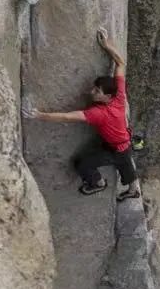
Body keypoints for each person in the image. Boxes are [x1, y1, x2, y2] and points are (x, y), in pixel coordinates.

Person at [23, 27, 141, 200]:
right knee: (123, 158)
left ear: (107, 96)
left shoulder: (99, 114)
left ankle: (97, 183)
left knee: (83, 163)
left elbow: (67, 117)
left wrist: (38, 115)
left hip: (117, 146)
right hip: (122, 141)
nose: (92, 91)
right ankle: (133, 189)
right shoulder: (119, 95)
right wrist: (106, 45)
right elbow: (120, 63)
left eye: (97, 90)